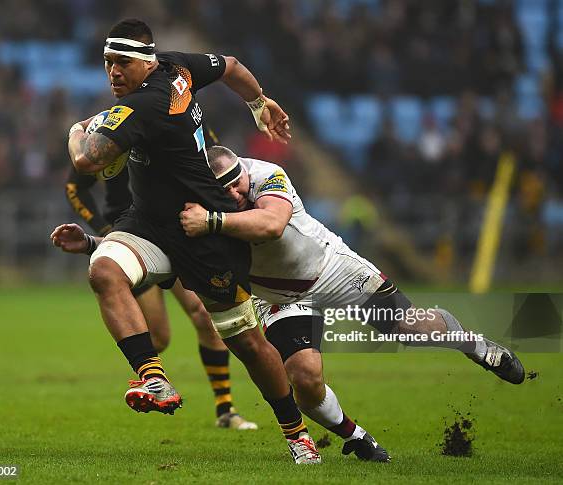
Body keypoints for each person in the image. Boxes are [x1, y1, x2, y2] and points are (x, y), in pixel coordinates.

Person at [65, 18, 320, 464]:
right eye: (107, 63)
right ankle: (153, 376)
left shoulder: (143, 106)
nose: (113, 73)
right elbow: (232, 66)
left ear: (146, 61)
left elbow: (87, 161)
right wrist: (259, 101)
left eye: (122, 63)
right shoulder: (179, 68)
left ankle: (295, 432)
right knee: (104, 270)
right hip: (147, 224)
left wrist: (75, 130)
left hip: (201, 230)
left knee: (246, 342)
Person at [175, 146, 525, 457]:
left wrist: (212, 221)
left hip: (332, 268)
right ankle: (357, 438)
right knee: (304, 379)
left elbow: (272, 224)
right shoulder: (195, 206)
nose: (236, 191)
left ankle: (473, 345)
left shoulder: (267, 174)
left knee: (409, 328)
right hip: (280, 298)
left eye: (238, 181)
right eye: (226, 188)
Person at [64, 143, 257, 429]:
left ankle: (225, 408)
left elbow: (218, 163)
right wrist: (107, 232)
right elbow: (74, 187)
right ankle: (149, 374)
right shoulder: (111, 131)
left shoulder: (184, 121)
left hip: (180, 233)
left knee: (204, 315)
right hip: (133, 237)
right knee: (160, 337)